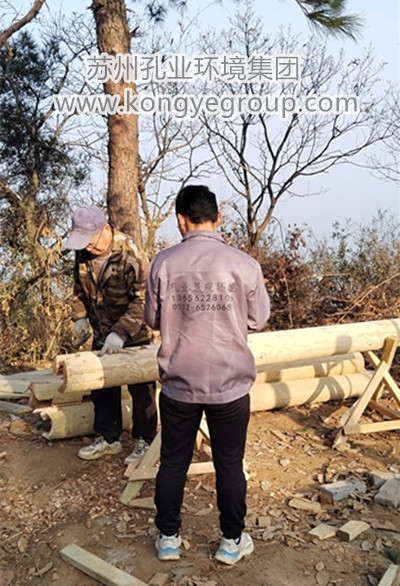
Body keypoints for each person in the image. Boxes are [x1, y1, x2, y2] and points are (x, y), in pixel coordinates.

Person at [144, 185, 270, 565]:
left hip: (178, 383)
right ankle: (231, 541)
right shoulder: (244, 264)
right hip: (230, 385)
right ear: (219, 218)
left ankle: (168, 538)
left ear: (181, 220)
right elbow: (258, 319)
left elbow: (152, 319)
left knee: (173, 462)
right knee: (229, 463)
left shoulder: (163, 263)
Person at [64, 205, 157, 463]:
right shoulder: (83, 254)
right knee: (102, 387)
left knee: (142, 390)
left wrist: (121, 333)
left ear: (105, 229)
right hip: (102, 331)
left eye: (91, 239)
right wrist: (79, 318)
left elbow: (144, 301)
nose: (88, 246)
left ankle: (145, 440)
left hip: (134, 334)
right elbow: (78, 289)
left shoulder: (130, 253)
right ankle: (108, 438)